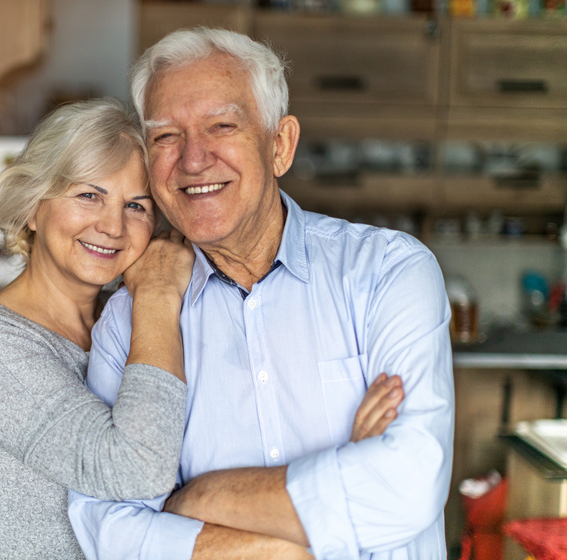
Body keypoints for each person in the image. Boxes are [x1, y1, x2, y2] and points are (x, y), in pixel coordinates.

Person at [68, 28, 455, 559]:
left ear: (280, 145)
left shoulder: (388, 273)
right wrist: (303, 525)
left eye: (221, 126)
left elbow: (410, 481)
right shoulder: (131, 322)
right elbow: (102, 523)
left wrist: (192, 499)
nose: (193, 159)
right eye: (165, 137)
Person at [0, 98, 196, 559]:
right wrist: (156, 294)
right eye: (89, 195)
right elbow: (136, 471)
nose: (112, 226)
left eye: (136, 205)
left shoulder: (125, 324)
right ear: (34, 207)